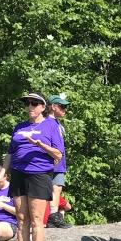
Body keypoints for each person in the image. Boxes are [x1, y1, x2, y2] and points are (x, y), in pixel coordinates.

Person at [3, 92, 64, 241]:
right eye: (28, 103)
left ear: (43, 107)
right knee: (21, 220)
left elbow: (58, 155)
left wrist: (40, 144)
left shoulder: (51, 125)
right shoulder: (19, 127)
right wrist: (3, 171)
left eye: (35, 103)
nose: (30, 106)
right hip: (19, 174)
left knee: (37, 219)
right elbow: (10, 153)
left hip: (39, 174)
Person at [46, 94, 70, 228]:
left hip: (59, 163)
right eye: (62, 106)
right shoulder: (48, 123)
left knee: (57, 189)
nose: (64, 109)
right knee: (54, 189)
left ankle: (53, 217)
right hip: (53, 163)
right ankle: (52, 217)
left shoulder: (56, 123)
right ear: (53, 107)